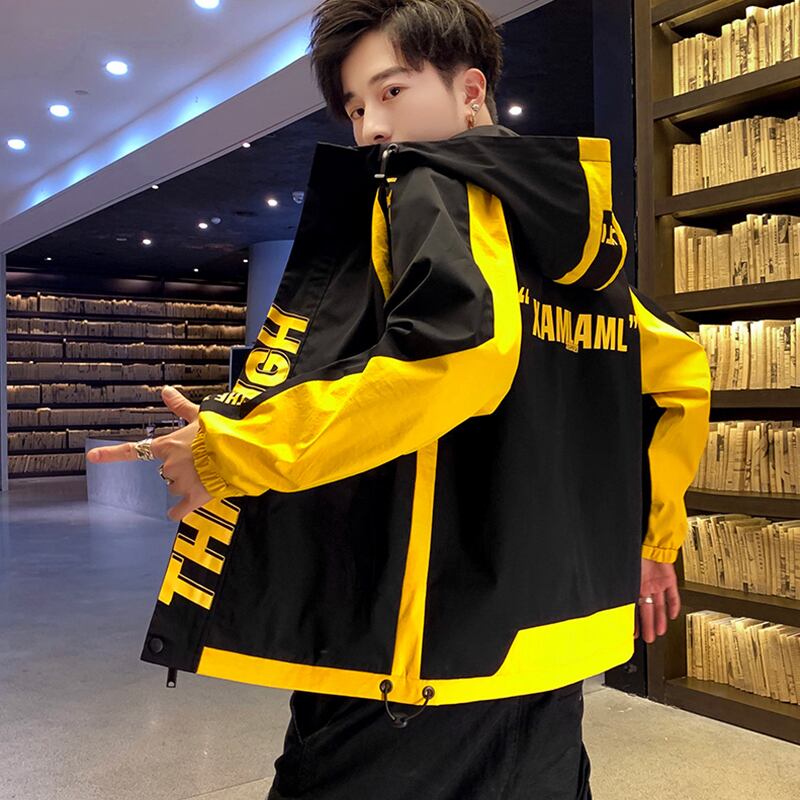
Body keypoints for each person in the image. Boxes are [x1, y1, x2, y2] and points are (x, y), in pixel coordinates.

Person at [87, 1, 712, 797]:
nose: (372, 128)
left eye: (391, 91)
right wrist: (655, 540)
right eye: (355, 108)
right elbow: (682, 373)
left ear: (470, 90)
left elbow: (457, 354)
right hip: (550, 648)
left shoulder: (428, 182)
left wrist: (231, 450)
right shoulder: (585, 246)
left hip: (422, 653)